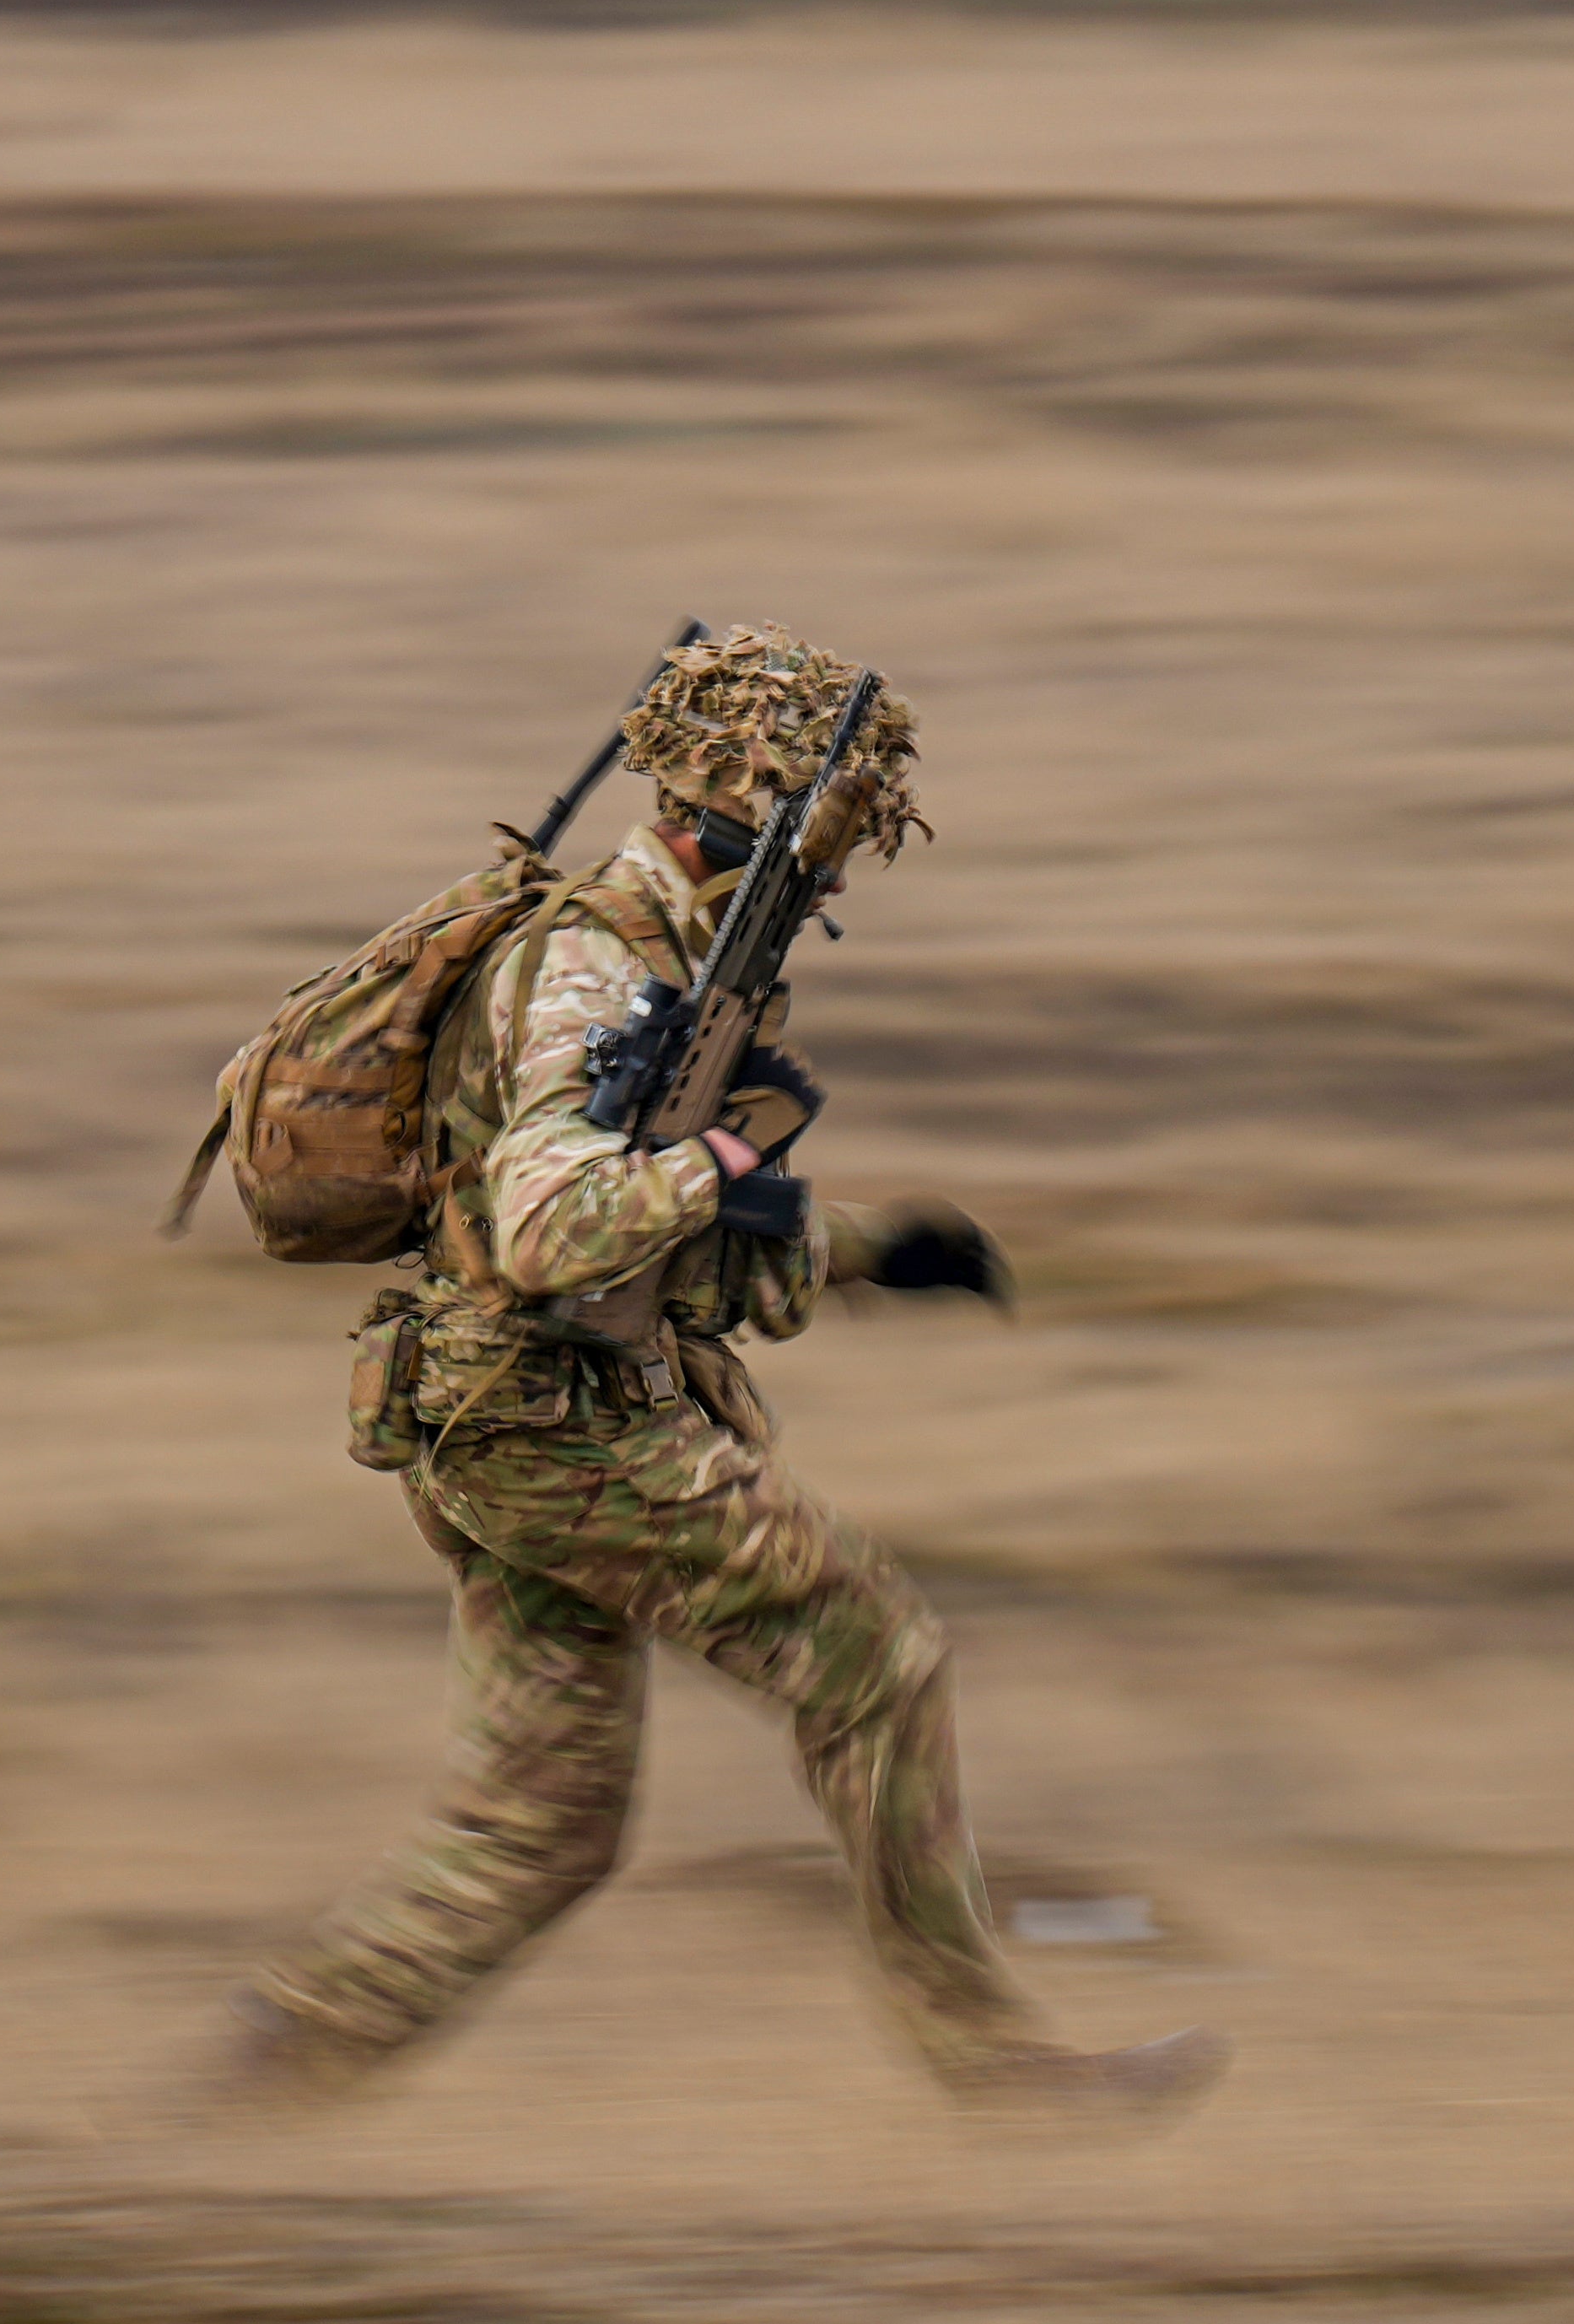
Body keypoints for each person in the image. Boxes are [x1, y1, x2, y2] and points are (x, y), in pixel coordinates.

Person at [218, 624, 1226, 2119]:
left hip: (515, 1419)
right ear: (733, 820)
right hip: (554, 1422)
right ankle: (999, 2069)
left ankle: (259, 2087)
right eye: (812, 849)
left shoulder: (671, 969)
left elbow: (674, 1247)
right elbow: (557, 1225)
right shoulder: (588, 968)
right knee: (875, 1659)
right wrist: (727, 1152)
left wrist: (874, 1247)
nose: (826, 882)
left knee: (536, 1826)